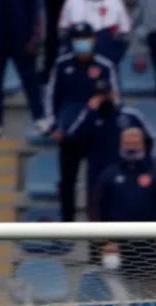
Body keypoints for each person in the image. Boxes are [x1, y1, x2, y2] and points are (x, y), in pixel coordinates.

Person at [44, 23, 121, 222]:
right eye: (78, 39)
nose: (82, 43)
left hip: (98, 136)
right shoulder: (62, 65)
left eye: (85, 38)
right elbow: (50, 96)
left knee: (98, 180)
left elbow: (116, 99)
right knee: (67, 181)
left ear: (94, 40)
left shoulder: (105, 66)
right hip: (68, 133)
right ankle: (67, 223)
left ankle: (99, 222)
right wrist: (53, 126)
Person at [65, 79, 156, 220]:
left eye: (105, 95)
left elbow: (151, 140)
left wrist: (147, 166)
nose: (103, 99)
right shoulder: (88, 117)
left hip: (129, 177)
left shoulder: (129, 116)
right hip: (97, 178)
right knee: (98, 220)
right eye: (98, 96)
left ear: (113, 94)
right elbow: (72, 139)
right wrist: (90, 112)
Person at [0, 0, 46, 143]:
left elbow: (34, 9)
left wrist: (34, 38)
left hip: (21, 37)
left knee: (30, 79)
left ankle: (40, 118)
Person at [93, 128, 156, 224]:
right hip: (116, 233)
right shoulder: (109, 173)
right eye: (127, 144)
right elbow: (97, 205)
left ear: (143, 145)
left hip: (150, 233)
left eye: (135, 143)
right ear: (121, 145)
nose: (131, 148)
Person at [57, 0, 131, 65]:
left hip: (106, 51)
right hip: (77, 52)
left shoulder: (115, 2)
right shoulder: (72, 1)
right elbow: (63, 28)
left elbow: (125, 31)